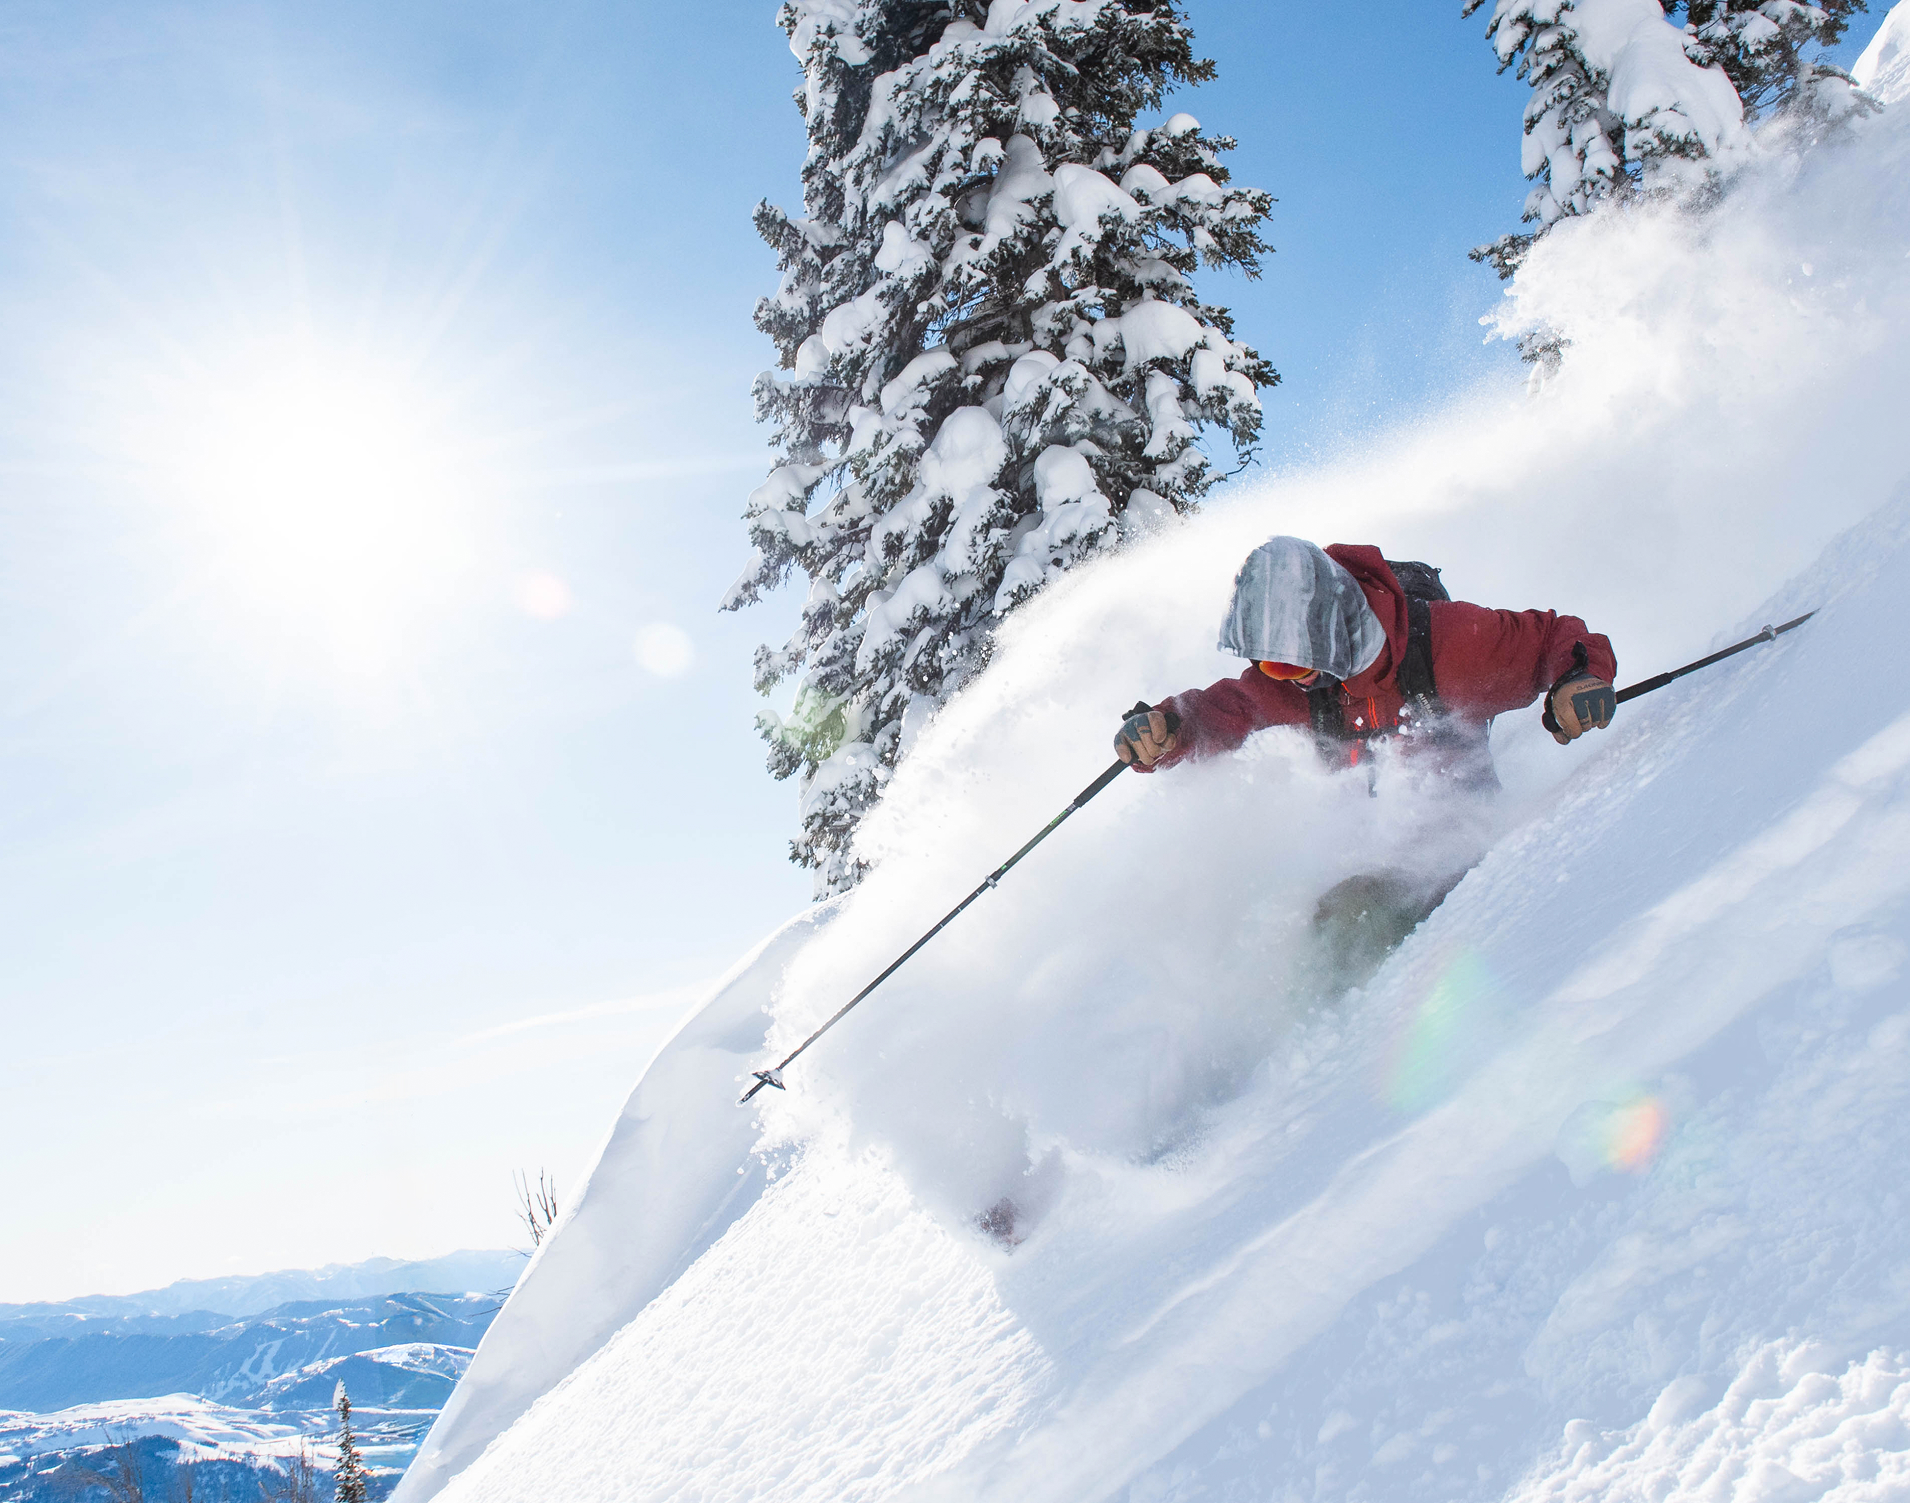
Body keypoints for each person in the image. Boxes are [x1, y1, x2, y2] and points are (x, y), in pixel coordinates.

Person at [1114, 536, 1618, 986]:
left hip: (1472, 852)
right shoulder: (1301, 685)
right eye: (1266, 663)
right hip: (1381, 858)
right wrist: (1168, 730)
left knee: (1361, 923)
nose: (1278, 677)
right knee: (1330, 923)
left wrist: (1579, 679)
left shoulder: (1450, 645)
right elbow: (1228, 709)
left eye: (1285, 662)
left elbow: (1553, 639)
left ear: (1331, 636)